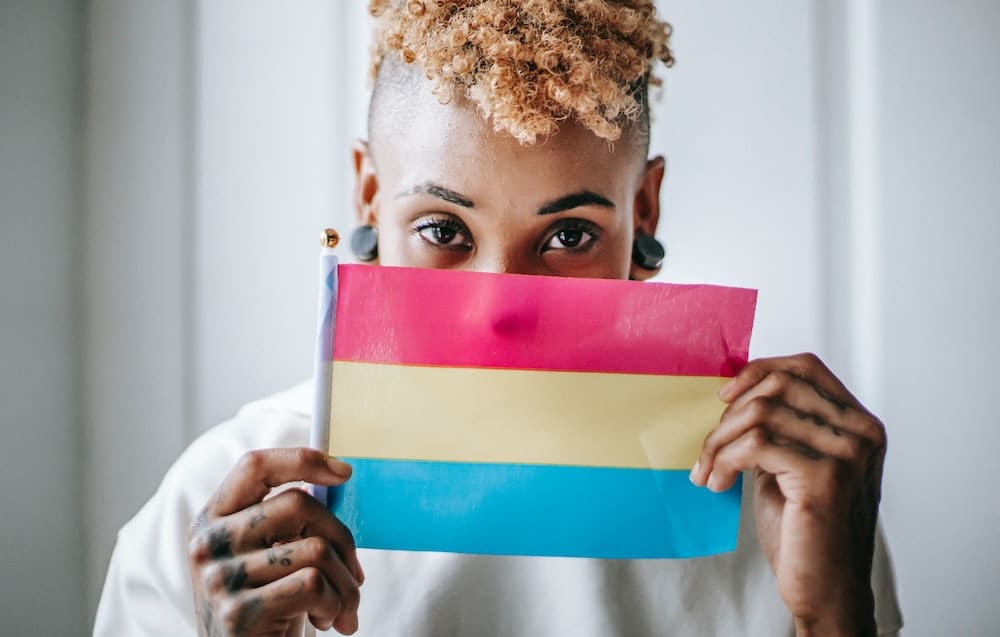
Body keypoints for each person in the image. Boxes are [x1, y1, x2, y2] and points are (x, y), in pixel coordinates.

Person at [94, 1, 903, 635]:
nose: (498, 304)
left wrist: (834, 618)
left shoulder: (790, 504)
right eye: (444, 230)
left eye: (569, 235)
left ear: (644, 210)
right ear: (371, 195)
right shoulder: (221, 512)